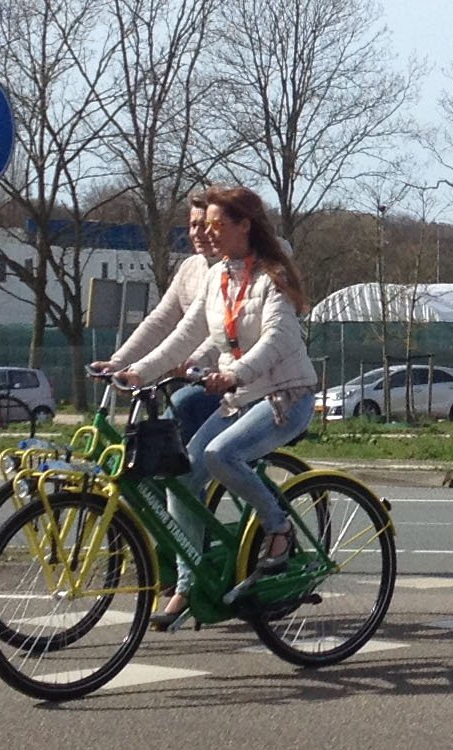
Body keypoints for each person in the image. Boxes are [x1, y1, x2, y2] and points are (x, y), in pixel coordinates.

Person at [116, 185, 318, 627]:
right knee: (182, 479)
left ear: (244, 226)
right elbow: (188, 333)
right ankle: (188, 586)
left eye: (215, 224)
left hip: (286, 396)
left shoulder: (271, 274)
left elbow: (278, 337)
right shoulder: (218, 276)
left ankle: (278, 528)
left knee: (217, 454)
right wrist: (137, 370)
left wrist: (236, 373)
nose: (207, 233)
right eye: (203, 224)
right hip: (240, 399)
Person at [91, 193, 222, 440]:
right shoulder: (190, 269)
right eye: (194, 225)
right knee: (159, 432)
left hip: (234, 382)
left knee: (182, 407)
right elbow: (161, 321)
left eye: (207, 225)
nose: (198, 233)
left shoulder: (235, 273)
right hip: (198, 378)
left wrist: (194, 361)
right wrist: (119, 362)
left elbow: (221, 332)